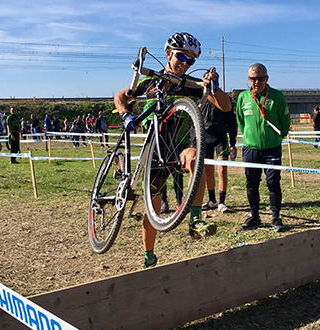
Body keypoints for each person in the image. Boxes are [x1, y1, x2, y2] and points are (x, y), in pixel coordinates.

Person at [114, 32, 232, 268]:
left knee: (197, 159)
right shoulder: (150, 82)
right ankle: (149, 255)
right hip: (155, 150)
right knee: (153, 208)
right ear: (168, 54)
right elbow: (119, 96)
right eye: (182, 57)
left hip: (179, 146)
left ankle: (196, 219)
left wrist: (214, 87)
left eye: (191, 61)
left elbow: (225, 106)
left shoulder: (192, 87)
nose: (185, 63)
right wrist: (125, 114)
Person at [236, 63, 290, 232]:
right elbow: (240, 120)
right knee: (251, 183)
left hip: (272, 148)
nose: (257, 82)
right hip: (250, 149)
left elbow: (285, 121)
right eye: (253, 78)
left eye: (260, 78)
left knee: (273, 183)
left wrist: (276, 136)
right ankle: (255, 216)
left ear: (267, 78)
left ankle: (276, 217)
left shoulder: (277, 97)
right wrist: (249, 137)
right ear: (248, 79)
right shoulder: (243, 97)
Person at [201, 104, 238, 213]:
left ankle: (222, 202)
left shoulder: (223, 100)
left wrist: (233, 143)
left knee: (222, 169)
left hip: (220, 140)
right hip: (205, 139)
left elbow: (232, 122)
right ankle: (212, 200)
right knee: (208, 171)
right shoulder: (201, 99)